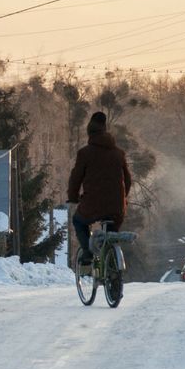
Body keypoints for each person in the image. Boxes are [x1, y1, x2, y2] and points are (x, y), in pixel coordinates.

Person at [67, 111, 133, 267]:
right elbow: (128, 180)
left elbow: (76, 178)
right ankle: (113, 268)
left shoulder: (84, 153)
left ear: (90, 133)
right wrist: (123, 198)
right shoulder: (119, 154)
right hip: (116, 207)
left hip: (92, 204)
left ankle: (88, 254)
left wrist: (73, 197)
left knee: (78, 221)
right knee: (111, 232)